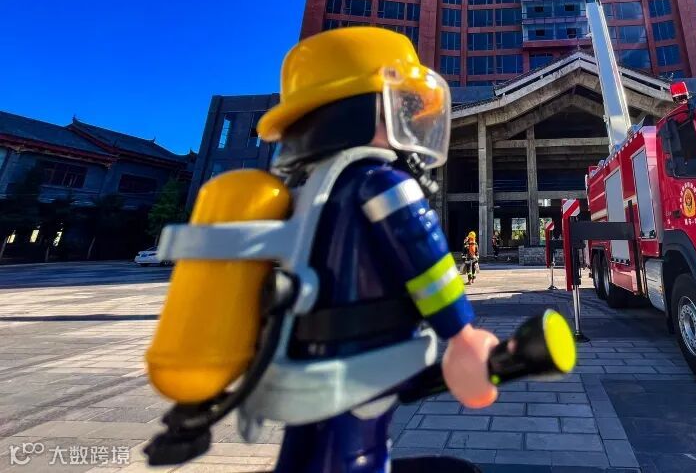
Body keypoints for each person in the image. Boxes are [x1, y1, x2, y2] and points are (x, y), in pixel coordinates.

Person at [147, 27, 499, 473]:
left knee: (303, 454)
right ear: (366, 110)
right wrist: (464, 336)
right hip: (361, 359)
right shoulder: (381, 182)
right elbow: (427, 264)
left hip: (301, 355)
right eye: (404, 108)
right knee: (357, 454)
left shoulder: (303, 189)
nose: (410, 123)